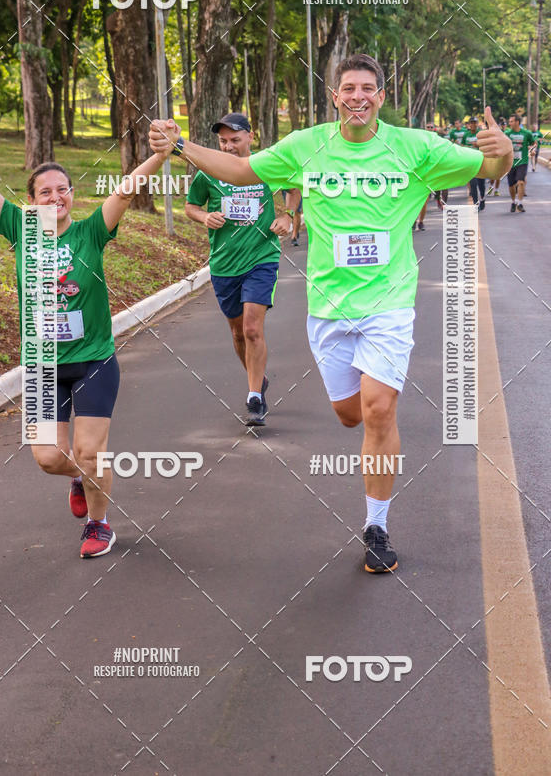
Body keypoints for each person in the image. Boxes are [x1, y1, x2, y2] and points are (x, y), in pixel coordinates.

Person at [150, 52, 513, 575]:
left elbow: (488, 165)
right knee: (350, 415)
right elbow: (242, 169)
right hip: (328, 308)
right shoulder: (307, 145)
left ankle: (377, 526)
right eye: (349, 87)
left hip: (388, 305)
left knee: (379, 409)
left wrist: (499, 156)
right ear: (335, 96)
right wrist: (182, 145)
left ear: (381, 97)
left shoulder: (414, 147)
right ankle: (366, 462)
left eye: (368, 87)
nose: (358, 96)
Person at [0, 143, 169, 558]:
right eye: (45, 192)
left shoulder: (90, 232)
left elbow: (124, 192)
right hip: (41, 367)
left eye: (62, 189)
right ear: (30, 202)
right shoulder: (20, 227)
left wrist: (160, 155)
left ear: (72, 194)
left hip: (93, 361)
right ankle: (85, 477)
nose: (56, 197)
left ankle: (99, 524)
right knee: (49, 458)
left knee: (90, 452)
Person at [184, 112, 300, 426]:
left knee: (251, 328)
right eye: (223, 141)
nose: (229, 146)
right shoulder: (208, 172)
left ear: (251, 136)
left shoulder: (266, 166)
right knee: (237, 333)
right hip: (224, 263)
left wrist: (288, 216)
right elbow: (191, 206)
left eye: (235, 140)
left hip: (262, 257)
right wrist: (203, 218)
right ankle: (256, 378)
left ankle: (254, 399)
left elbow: (293, 187)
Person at [505, 113, 534, 212]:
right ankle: (513, 202)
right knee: (511, 185)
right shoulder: (507, 134)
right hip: (510, 162)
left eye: (511, 121)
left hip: (522, 161)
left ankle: (520, 203)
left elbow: (534, 143)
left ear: (517, 122)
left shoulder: (526, 133)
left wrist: (533, 149)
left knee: (521, 182)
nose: (509, 123)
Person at [462, 118, 486, 211]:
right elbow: (462, 146)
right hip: (470, 162)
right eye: (471, 123)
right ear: (469, 125)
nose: (473, 124)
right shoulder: (466, 135)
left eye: (475, 123)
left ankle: (482, 199)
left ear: (477, 124)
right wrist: (466, 147)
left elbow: (486, 146)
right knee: (473, 184)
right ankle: (476, 204)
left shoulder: (481, 134)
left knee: (481, 184)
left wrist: (478, 145)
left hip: (480, 161)